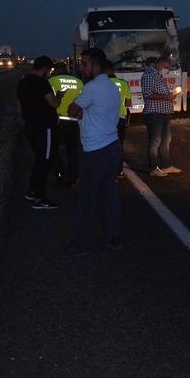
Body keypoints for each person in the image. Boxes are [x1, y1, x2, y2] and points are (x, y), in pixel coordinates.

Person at [64, 49, 123, 257]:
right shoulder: (112, 86)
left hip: (95, 151)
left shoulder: (92, 87)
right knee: (110, 194)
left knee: (86, 200)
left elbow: (72, 109)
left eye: (85, 64)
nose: (82, 67)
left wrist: (81, 110)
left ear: (96, 66)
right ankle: (114, 237)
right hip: (113, 147)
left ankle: (81, 245)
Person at [16, 56, 60, 210]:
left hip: (30, 126)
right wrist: (59, 97)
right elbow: (53, 103)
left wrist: (21, 118)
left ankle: (32, 191)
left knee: (39, 159)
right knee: (45, 161)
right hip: (44, 127)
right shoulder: (41, 83)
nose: (50, 73)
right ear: (44, 68)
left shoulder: (23, 82)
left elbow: (19, 105)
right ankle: (39, 198)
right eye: (49, 70)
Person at [140, 55, 181, 177]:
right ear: (159, 65)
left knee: (166, 140)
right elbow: (148, 94)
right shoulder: (149, 75)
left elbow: (160, 93)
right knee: (155, 141)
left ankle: (166, 166)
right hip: (154, 114)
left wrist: (171, 94)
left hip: (164, 115)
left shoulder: (158, 75)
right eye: (166, 67)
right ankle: (153, 168)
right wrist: (167, 97)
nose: (167, 70)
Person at [48, 62, 84, 186]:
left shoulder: (52, 80)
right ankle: (73, 177)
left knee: (53, 148)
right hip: (74, 121)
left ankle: (60, 173)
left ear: (57, 70)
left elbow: (50, 100)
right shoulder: (78, 82)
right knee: (72, 151)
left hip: (57, 120)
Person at [105, 61, 131, 177]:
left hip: (105, 119)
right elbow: (128, 103)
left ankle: (108, 170)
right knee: (119, 144)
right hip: (120, 118)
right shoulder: (123, 83)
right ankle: (119, 170)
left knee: (105, 145)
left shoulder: (103, 84)